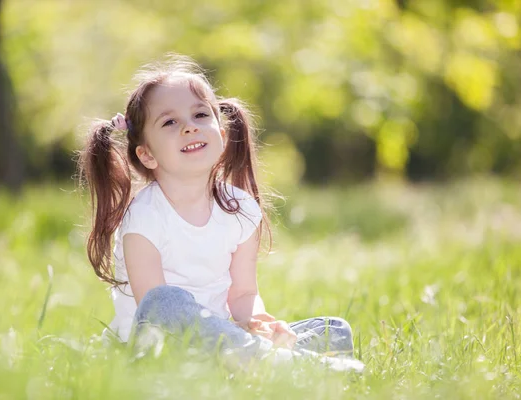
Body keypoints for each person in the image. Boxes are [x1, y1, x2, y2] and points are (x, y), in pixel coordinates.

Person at [77, 55, 360, 369]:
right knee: (167, 300)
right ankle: (288, 366)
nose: (189, 127)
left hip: (224, 340)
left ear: (222, 137)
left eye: (200, 115)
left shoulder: (240, 210)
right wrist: (234, 337)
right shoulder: (144, 219)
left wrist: (257, 322)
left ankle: (264, 359)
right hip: (157, 355)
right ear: (147, 155)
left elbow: (243, 294)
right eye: (170, 122)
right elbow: (156, 313)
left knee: (334, 331)